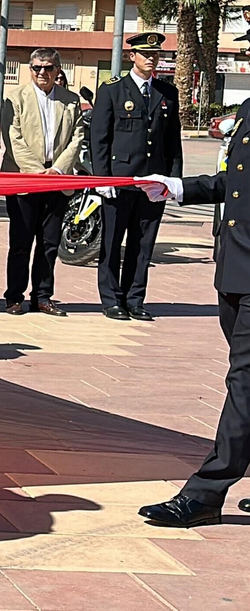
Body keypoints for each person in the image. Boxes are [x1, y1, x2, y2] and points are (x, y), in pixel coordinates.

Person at [132, 40, 250, 528]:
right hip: (236, 266)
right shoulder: (249, 107)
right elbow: (235, 181)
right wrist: (181, 187)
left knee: (244, 383)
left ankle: (205, 492)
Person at [89, 32, 183, 321]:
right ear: (132, 56)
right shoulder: (112, 90)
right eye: (146, 54)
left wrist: (173, 180)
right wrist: (102, 180)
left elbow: (172, 141)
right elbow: (99, 139)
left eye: (156, 55)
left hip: (153, 182)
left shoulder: (168, 93)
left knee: (143, 245)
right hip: (120, 180)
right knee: (112, 242)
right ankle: (111, 299)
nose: (151, 59)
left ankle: (135, 298)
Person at [0, 48, 87, 317]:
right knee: (20, 243)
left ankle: (42, 296)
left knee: (49, 244)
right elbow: (13, 139)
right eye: (37, 67)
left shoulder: (71, 101)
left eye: (48, 68)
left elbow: (77, 137)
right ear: (30, 69)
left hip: (57, 181)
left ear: (58, 70)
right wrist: (37, 172)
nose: (42, 73)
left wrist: (58, 170)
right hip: (26, 180)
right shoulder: (15, 99)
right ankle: (14, 296)